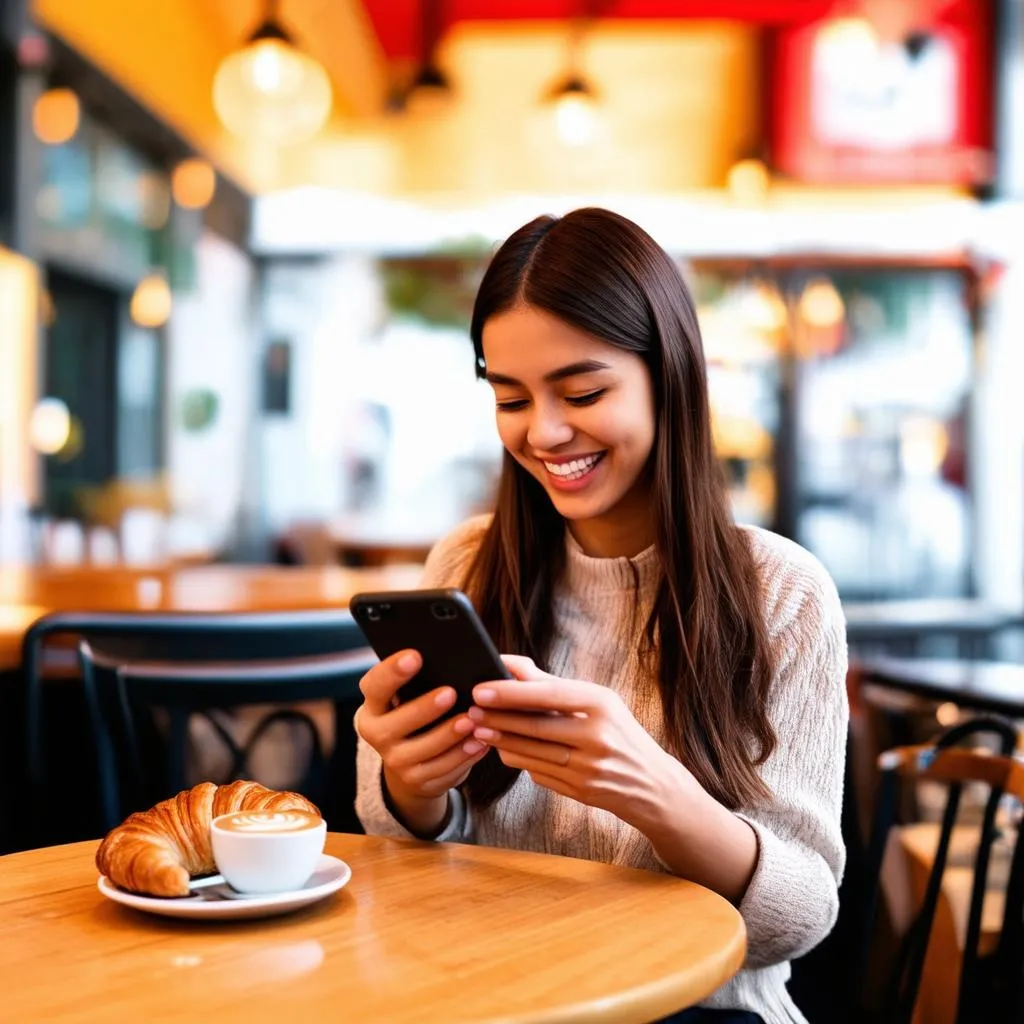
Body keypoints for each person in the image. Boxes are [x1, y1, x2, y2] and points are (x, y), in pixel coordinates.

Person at [354, 208, 848, 1024]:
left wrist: (652, 789)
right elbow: (403, 854)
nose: (543, 431)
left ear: (670, 376)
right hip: (495, 1001)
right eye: (510, 398)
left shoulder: (782, 593)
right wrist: (409, 786)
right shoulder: (465, 565)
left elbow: (799, 921)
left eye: (582, 391)